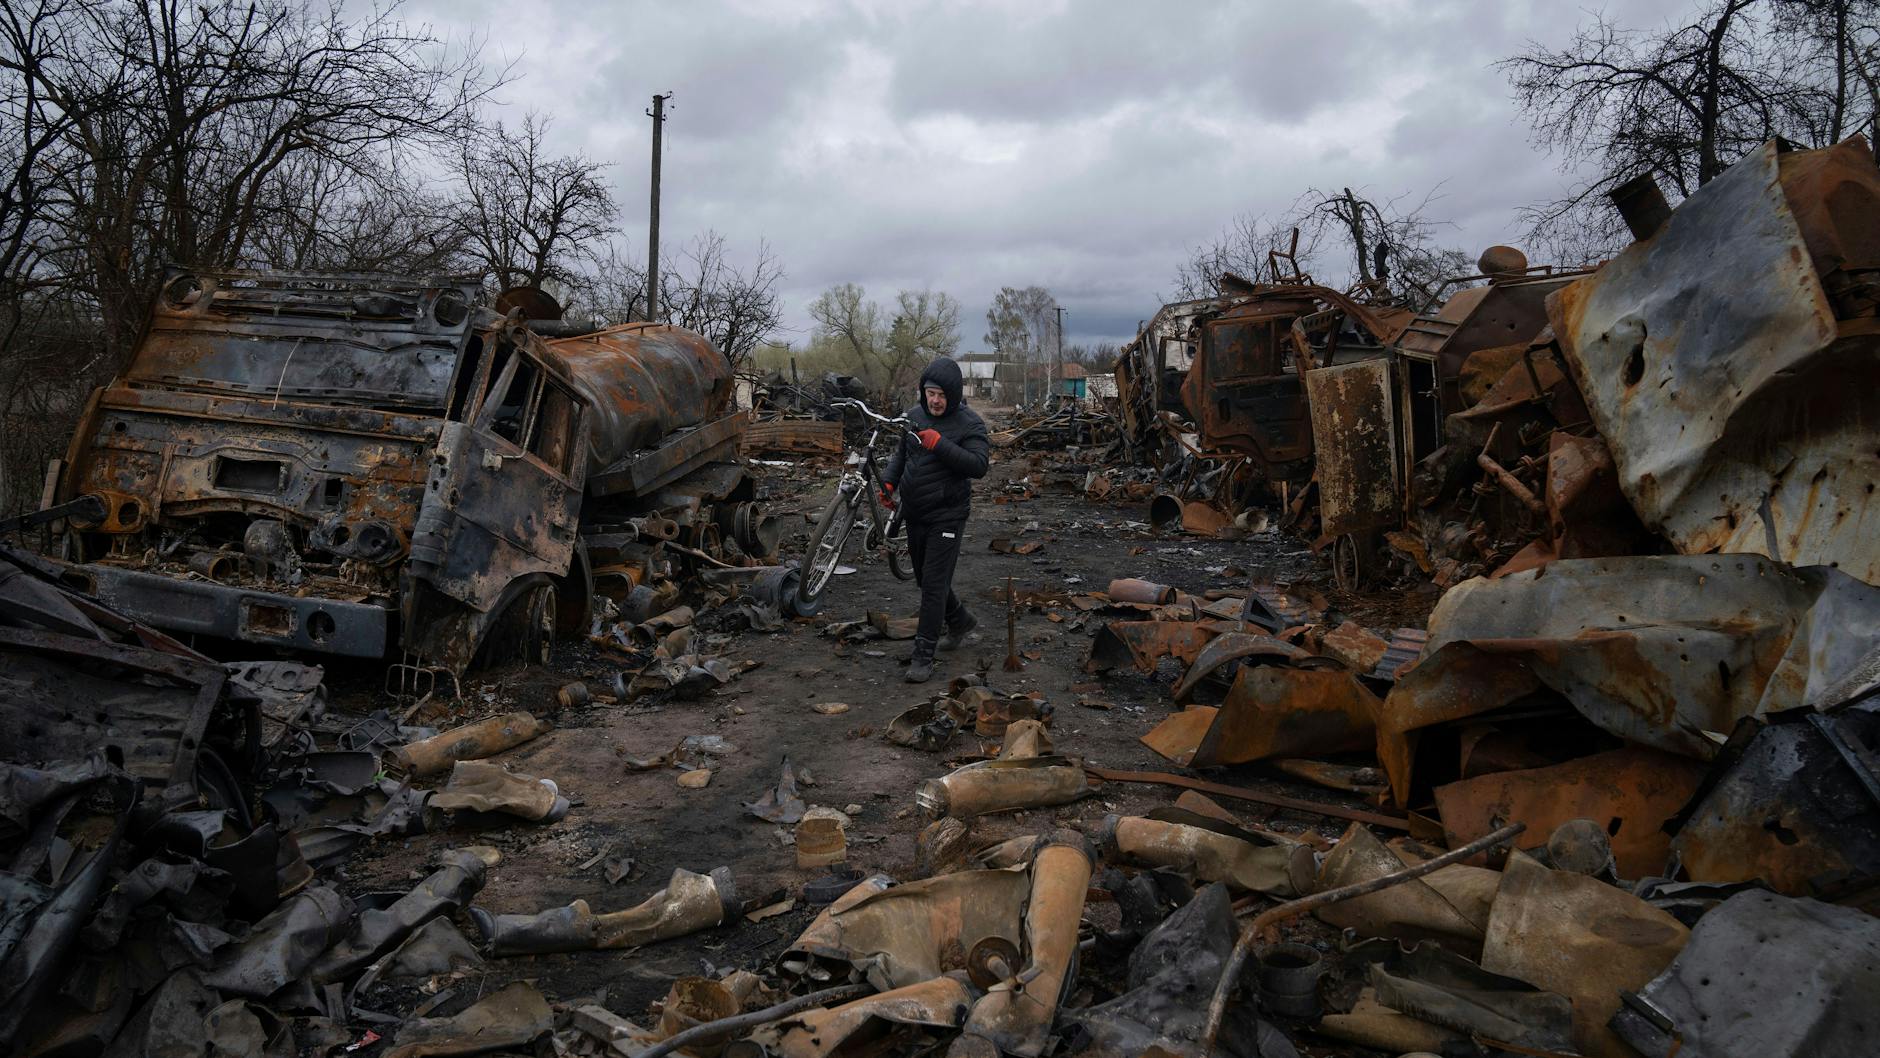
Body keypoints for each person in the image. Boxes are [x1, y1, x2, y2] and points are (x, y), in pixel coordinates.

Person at [879, 357, 989, 682]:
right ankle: (960, 620)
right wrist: (889, 481)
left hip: (948, 516)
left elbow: (979, 465)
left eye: (941, 394)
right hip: (915, 513)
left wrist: (941, 445)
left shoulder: (970, 424)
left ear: (952, 395)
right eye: (930, 393)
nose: (935, 400)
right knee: (926, 579)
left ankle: (923, 656)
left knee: (932, 586)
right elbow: (902, 453)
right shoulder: (914, 416)